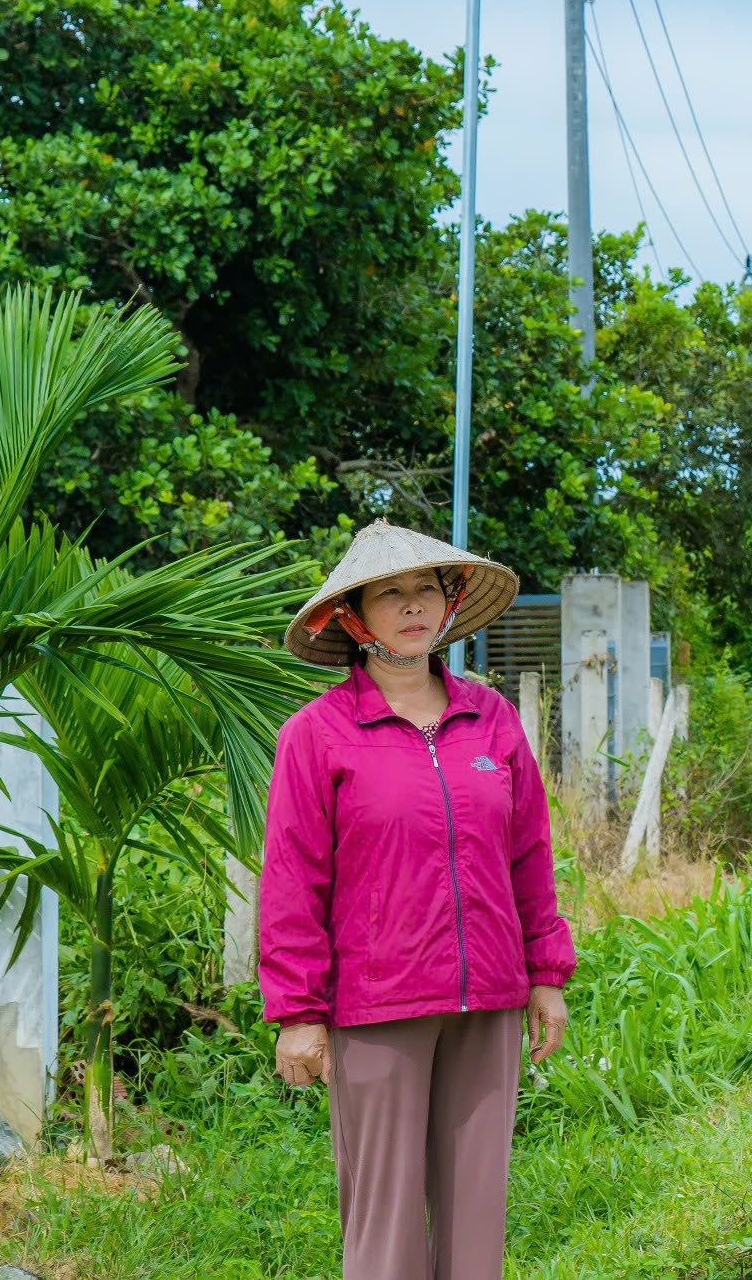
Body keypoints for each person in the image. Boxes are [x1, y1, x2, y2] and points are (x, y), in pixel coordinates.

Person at [258, 521, 575, 1280]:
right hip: (376, 1008)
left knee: (476, 1216)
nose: (411, 605)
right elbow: (294, 880)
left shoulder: (491, 718)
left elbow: (529, 853)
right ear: (353, 617)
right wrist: (299, 1013)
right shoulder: (316, 734)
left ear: (449, 601)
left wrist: (546, 973)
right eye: (390, 592)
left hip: (489, 1000)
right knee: (386, 1218)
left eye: (425, 588)